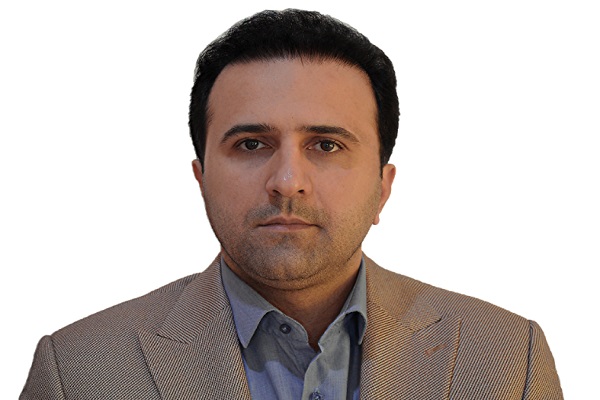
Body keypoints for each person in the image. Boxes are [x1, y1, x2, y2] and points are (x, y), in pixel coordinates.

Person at [20, 9, 562, 399]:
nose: (286, 181)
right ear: (201, 179)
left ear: (383, 186)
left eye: (326, 146)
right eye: (251, 144)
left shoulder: (506, 360)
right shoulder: (78, 372)